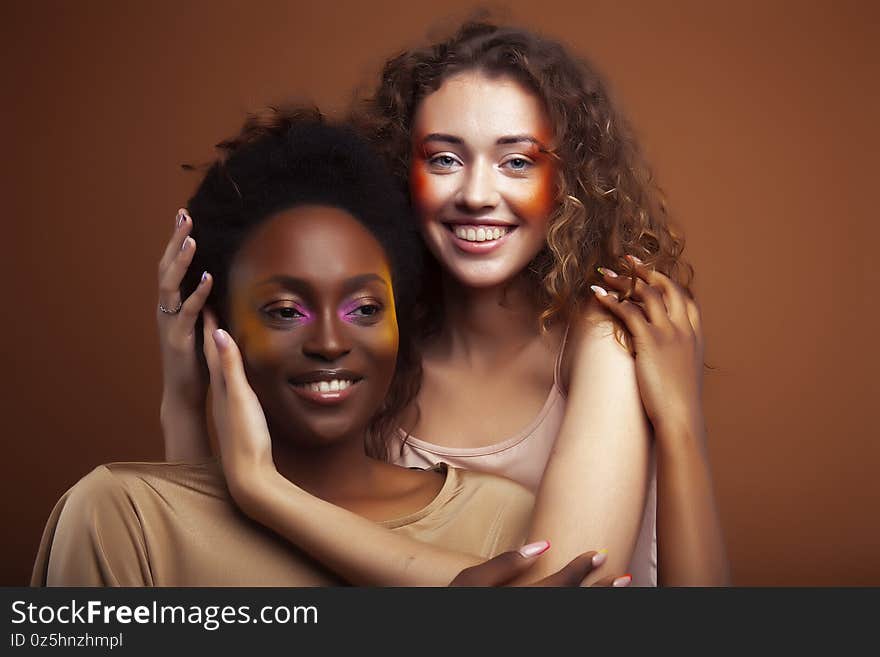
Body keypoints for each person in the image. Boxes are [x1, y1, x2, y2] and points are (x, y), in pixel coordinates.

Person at [158, 22, 728, 586]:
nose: (477, 196)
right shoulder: (363, 342)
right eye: (445, 160)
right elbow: (229, 559)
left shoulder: (604, 339)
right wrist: (185, 399)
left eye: (517, 162)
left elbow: (549, 601)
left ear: (568, 181)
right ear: (402, 172)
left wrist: (264, 490)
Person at [32, 113, 622, 587]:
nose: (332, 343)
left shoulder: (499, 521)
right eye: (286, 312)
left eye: (365, 309)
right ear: (218, 328)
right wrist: (185, 401)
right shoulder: (119, 517)